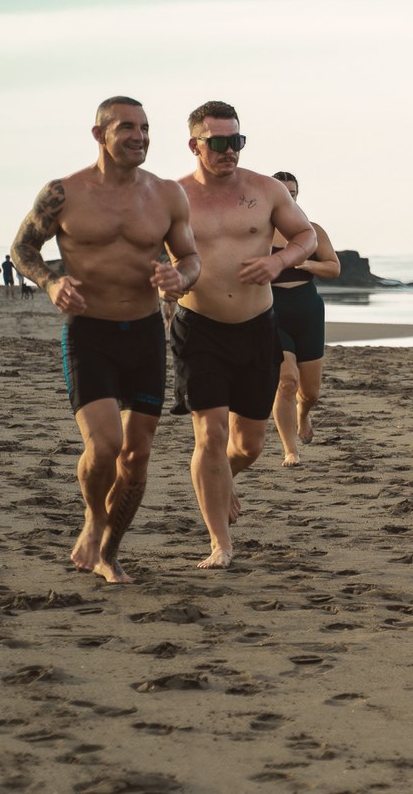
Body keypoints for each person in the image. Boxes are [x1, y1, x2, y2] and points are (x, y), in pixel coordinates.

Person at [9, 96, 200, 583]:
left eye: (145, 127)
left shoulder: (167, 195)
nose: (139, 136)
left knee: (136, 458)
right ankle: (94, 515)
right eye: (126, 128)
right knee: (105, 446)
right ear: (100, 135)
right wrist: (51, 282)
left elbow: (190, 258)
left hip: (143, 334)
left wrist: (181, 280)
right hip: (89, 333)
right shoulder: (64, 193)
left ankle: (109, 554)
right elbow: (21, 247)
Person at [175, 101, 316, 570]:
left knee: (248, 446)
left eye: (236, 141)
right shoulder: (172, 196)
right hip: (198, 329)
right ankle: (220, 542)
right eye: (217, 143)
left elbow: (306, 237)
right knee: (210, 436)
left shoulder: (266, 189)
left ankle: (222, 480)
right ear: (195, 144)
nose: (228, 151)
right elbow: (144, 252)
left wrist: (278, 261)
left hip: (258, 329)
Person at [268, 172, 341, 467]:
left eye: (293, 192)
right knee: (286, 381)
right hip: (272, 310)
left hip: (308, 308)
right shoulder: (257, 231)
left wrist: (306, 262)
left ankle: (303, 414)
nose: (289, 197)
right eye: (283, 192)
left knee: (310, 392)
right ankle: (291, 449)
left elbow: (334, 268)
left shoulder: (311, 230)